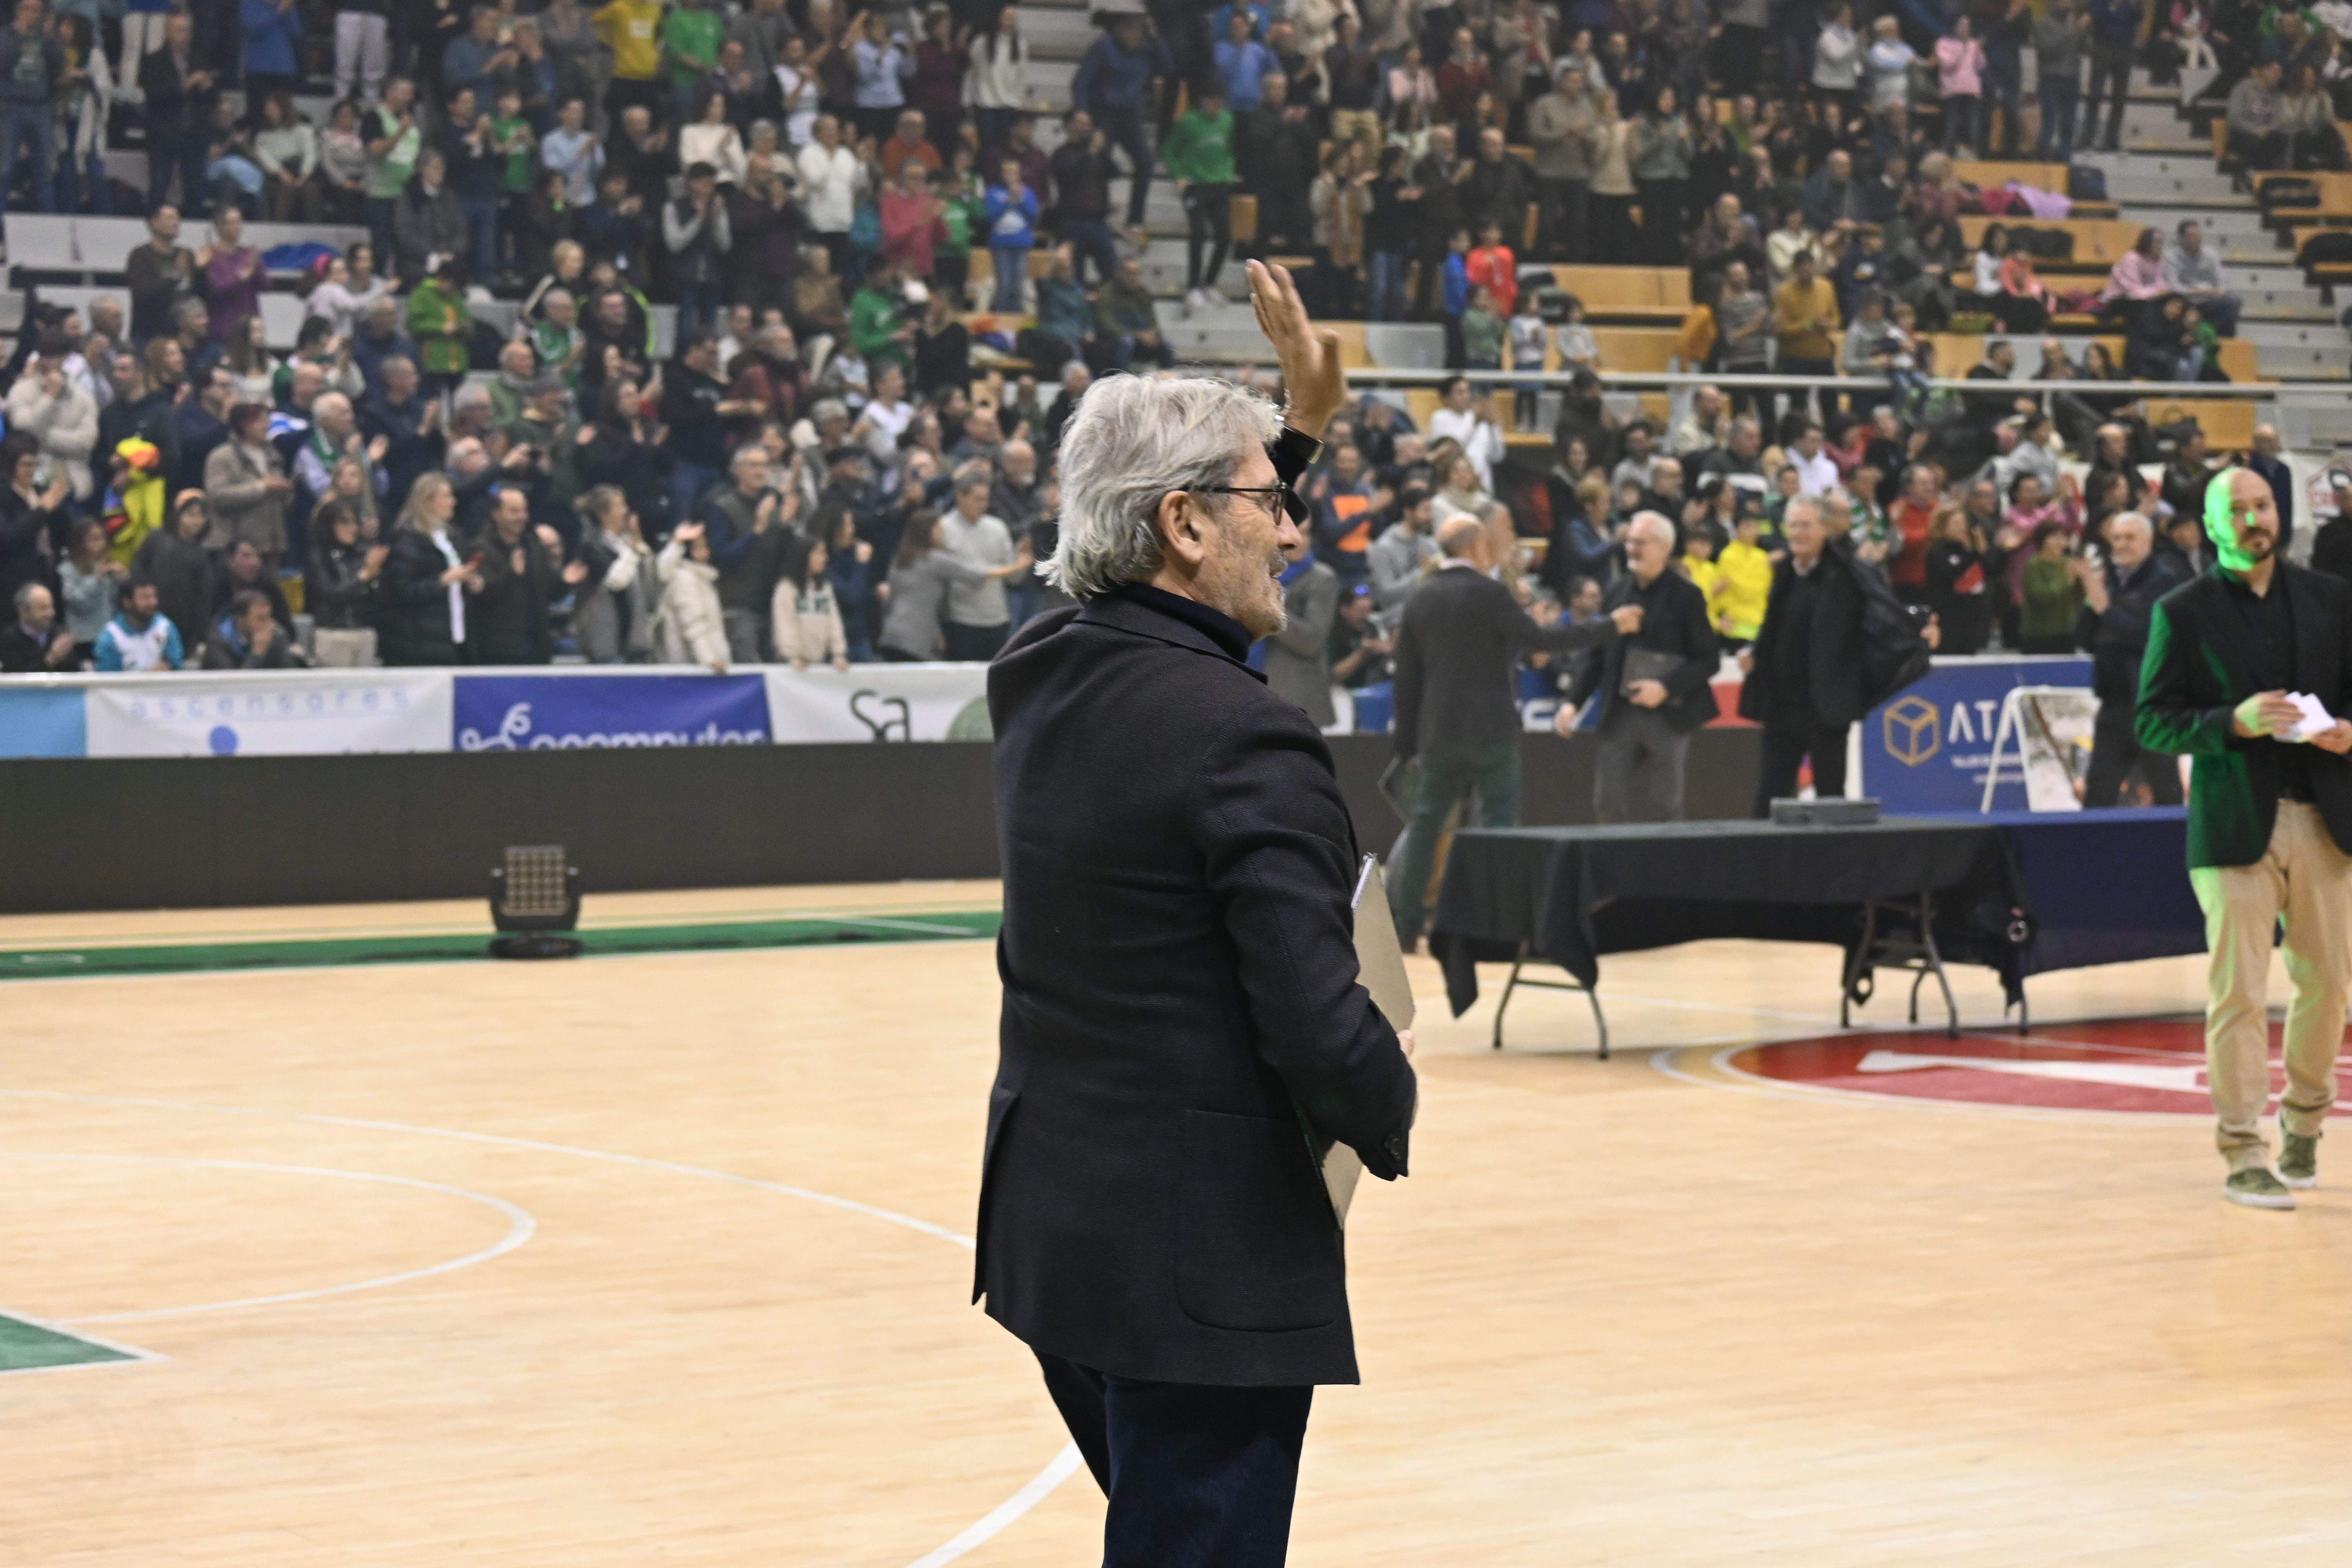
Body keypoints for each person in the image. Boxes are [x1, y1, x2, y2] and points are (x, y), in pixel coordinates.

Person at [979, 261, 1418, 1568]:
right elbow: (1312, 1019)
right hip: (1197, 1265)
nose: (1293, 530)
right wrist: (1384, 1092)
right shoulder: (1246, 738)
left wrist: (1297, 425)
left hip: (1062, 1242)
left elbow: (1139, 562)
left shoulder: (1037, 668)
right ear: (1179, 522)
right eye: (1271, 504)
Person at [2137, 468, 2352, 1209]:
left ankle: (2303, 1124)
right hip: (2232, 825)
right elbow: (2151, 719)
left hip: (2324, 819)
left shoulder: (2331, 597)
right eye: (2236, 508)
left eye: (2261, 505)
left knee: (2327, 987)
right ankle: (2241, 1149)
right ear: (2208, 522)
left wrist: (2346, 734)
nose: (2253, 518)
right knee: (2238, 992)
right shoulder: (2182, 611)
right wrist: (2229, 722)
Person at [1388, 514, 1639, 942]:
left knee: (1427, 826)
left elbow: (1406, 680)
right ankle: (1495, 924)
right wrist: (1610, 625)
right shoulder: (1491, 594)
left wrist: (1405, 747)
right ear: (1474, 547)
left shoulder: (1420, 598)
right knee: (1500, 825)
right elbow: (1545, 641)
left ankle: (1408, 926)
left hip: (1438, 731)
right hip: (1492, 731)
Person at [1562, 511, 1720, 822]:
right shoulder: (1616, 593)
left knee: (1665, 808)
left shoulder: (1687, 597)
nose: (1631, 549)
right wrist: (1572, 703)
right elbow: (1596, 656)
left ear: (1663, 547)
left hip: (1669, 716)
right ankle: (1612, 868)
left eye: (1639, 543)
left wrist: (1665, 687)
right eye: (1629, 542)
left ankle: (1664, 869)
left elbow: (1708, 660)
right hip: (1620, 714)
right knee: (1607, 802)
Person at [1737, 497, 1869, 812]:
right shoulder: (1784, 572)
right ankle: (1764, 862)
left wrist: (1920, 625)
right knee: (1770, 796)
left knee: (1830, 800)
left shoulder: (1847, 572)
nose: (1798, 532)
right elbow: (1775, 626)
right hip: (1783, 706)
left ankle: (1833, 862)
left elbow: (1881, 613)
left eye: (1806, 525)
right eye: (1793, 525)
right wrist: (1754, 651)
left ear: (1825, 529)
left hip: (1827, 706)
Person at [2076, 510, 2187, 806]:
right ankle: (2092, 852)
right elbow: (2086, 641)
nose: (2122, 545)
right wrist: (2091, 601)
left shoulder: (2165, 579)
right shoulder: (2110, 581)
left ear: (2149, 542)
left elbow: (2152, 638)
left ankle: (2174, 851)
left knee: (2167, 792)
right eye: (2116, 538)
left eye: (2130, 538)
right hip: (2113, 704)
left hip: (2152, 707)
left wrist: (2107, 611)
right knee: (2098, 793)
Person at [938, 465, 1017, 659]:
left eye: (986, 499)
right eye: (978, 499)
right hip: (960, 621)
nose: (983, 505)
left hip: (997, 620)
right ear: (960, 497)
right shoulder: (943, 529)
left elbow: (1013, 574)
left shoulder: (997, 527)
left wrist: (1021, 561)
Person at [92, 576, 185, 669]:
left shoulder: (165, 627)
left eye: (154, 596)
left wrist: (167, 667)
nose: (152, 603)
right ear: (127, 602)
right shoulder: (112, 635)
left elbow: (177, 664)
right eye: (145, 598)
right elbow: (107, 676)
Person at [0, 582, 75, 671]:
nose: (51, 613)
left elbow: (75, 673)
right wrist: (52, 659)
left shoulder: (59, 634)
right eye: (43, 608)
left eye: (51, 607)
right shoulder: (9, 639)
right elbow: (16, 676)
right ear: (24, 611)